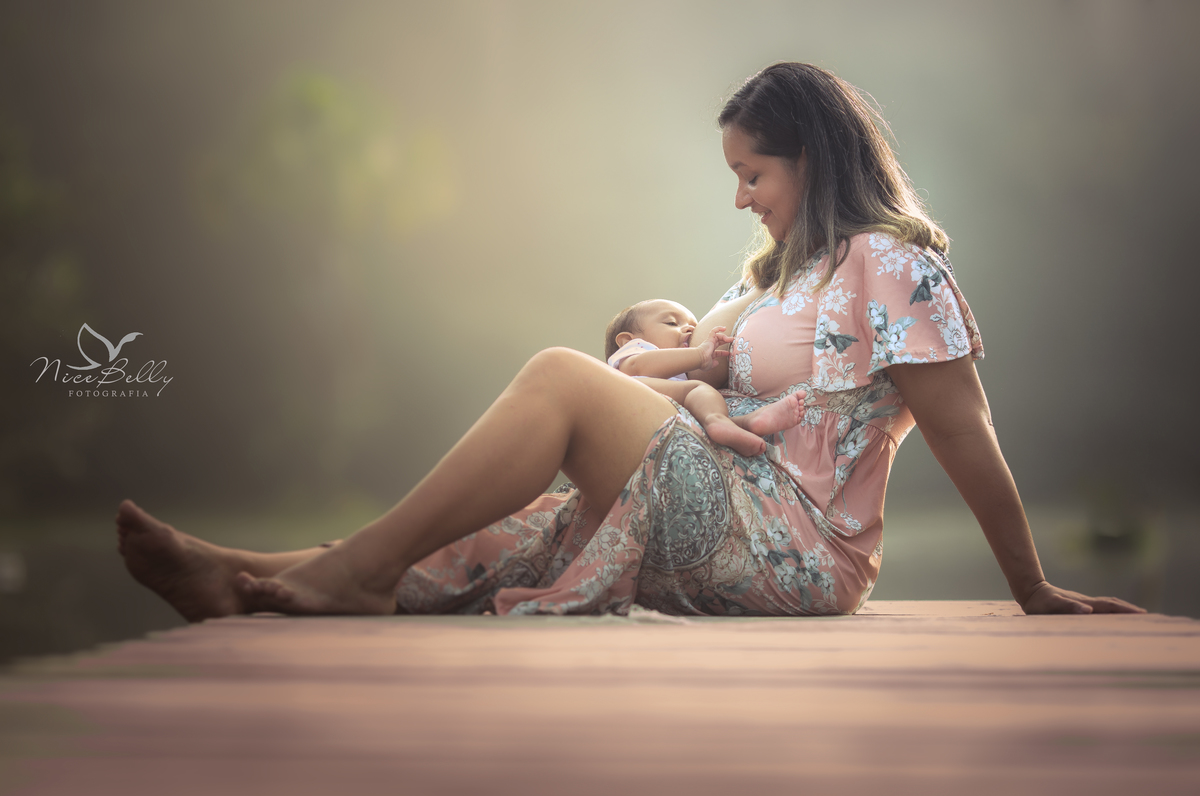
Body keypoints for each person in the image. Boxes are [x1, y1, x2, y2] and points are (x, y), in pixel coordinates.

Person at [116, 62, 1145, 620]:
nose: (742, 196)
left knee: (557, 377)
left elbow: (966, 428)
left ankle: (345, 575)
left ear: (815, 159)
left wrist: (1031, 583)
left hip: (797, 547)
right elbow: (671, 381)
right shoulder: (764, 280)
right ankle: (244, 572)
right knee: (508, 531)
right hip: (714, 498)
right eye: (736, 175)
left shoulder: (893, 266)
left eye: (756, 174)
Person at [604, 298, 802, 457]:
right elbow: (636, 367)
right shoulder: (632, 354)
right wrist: (699, 355)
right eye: (671, 322)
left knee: (701, 411)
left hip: (664, 421)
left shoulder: (680, 379)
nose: (690, 330)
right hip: (635, 395)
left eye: (694, 326)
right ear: (627, 340)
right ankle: (719, 420)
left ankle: (744, 424)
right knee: (698, 390)